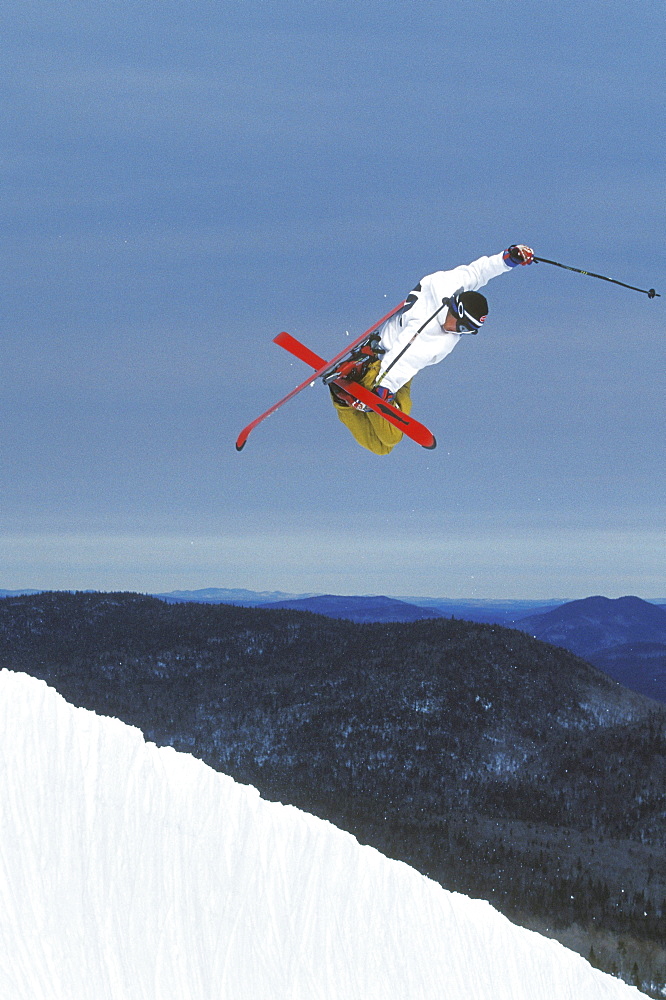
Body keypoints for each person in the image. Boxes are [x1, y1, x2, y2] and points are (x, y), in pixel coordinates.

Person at [327, 244, 534, 455]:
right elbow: (403, 357)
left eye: (467, 331)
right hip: (384, 364)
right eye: (461, 326)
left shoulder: (451, 285)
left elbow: (478, 272)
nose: (458, 332)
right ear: (457, 310)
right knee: (390, 437)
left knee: (381, 449)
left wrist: (508, 259)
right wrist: (383, 390)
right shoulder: (433, 338)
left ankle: (345, 396)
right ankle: (352, 386)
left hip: (401, 366)